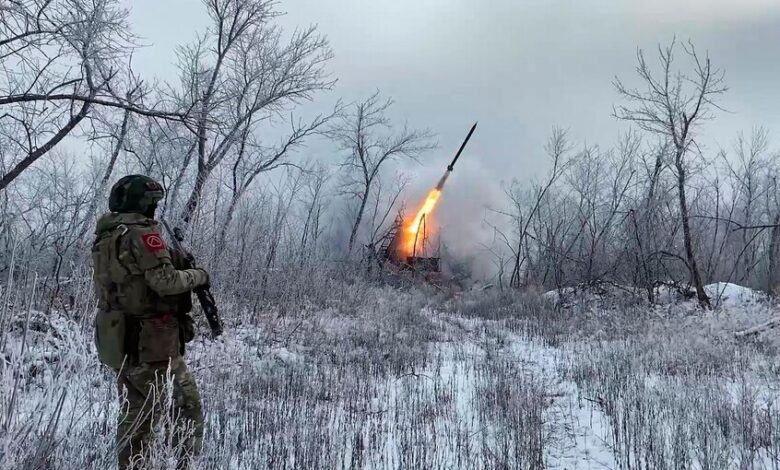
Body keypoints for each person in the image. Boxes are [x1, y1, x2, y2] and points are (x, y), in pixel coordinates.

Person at [91, 174, 210, 469]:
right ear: (143, 203)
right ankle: (185, 465)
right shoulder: (142, 234)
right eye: (152, 202)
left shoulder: (106, 236)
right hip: (152, 343)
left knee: (137, 414)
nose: (155, 209)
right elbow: (166, 281)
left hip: (119, 339)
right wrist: (199, 276)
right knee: (187, 407)